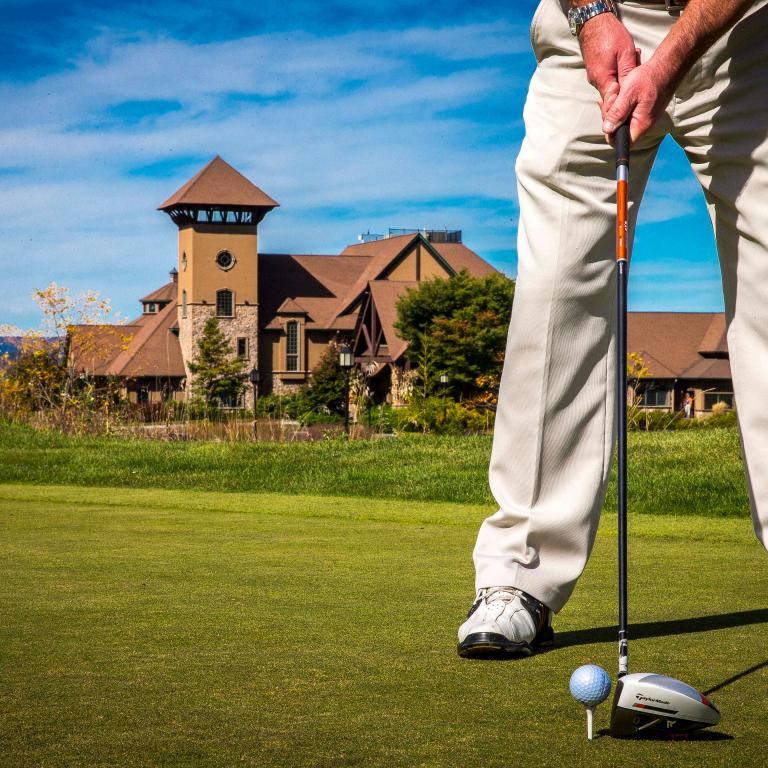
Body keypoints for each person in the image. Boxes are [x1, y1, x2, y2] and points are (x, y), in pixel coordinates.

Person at [458, 0, 768, 657]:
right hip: (597, 25)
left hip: (748, 29)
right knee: (557, 284)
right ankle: (520, 575)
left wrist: (673, 55)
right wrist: (593, 15)